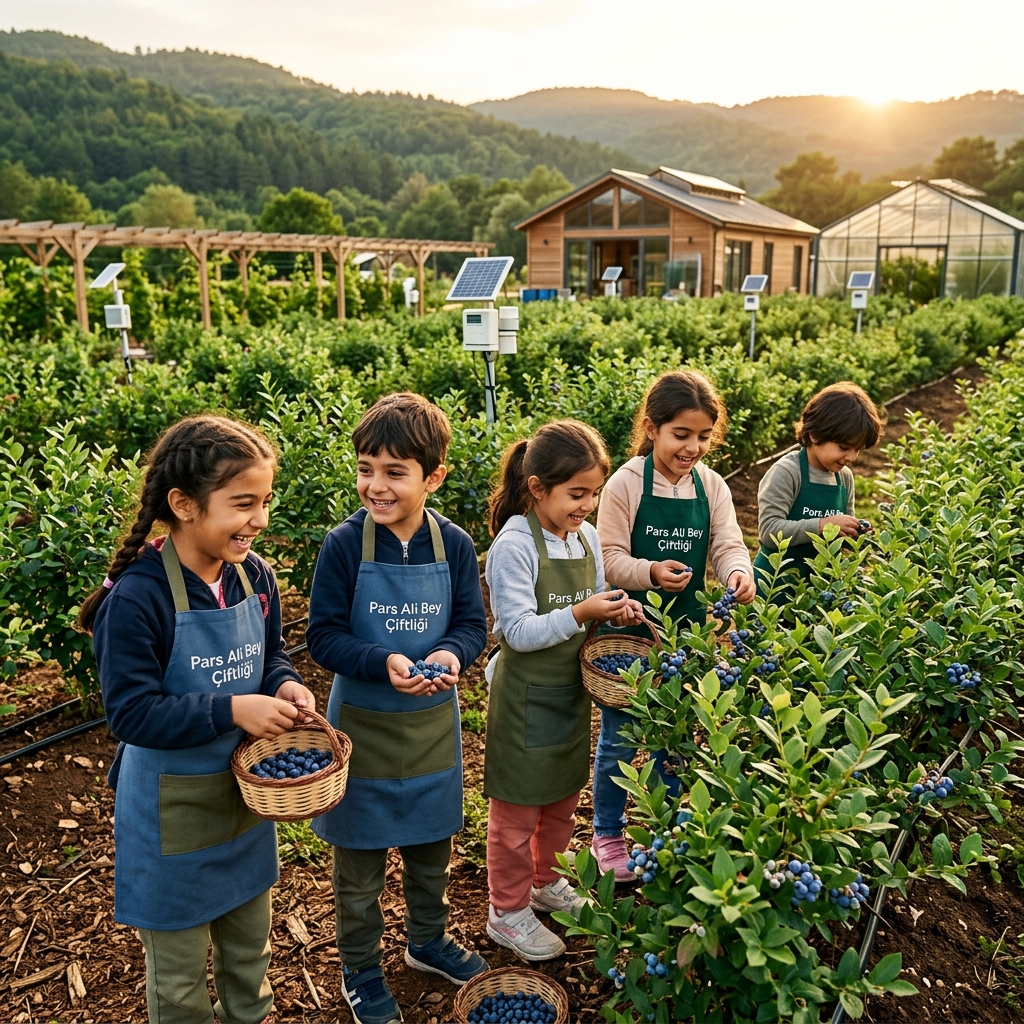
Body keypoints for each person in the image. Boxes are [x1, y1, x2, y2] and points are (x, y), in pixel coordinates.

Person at [81, 415, 315, 1024]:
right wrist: (232, 708)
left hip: (242, 803)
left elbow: (271, 657)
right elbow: (132, 715)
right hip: (171, 816)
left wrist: (285, 685)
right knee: (180, 983)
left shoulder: (252, 576)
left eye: (264, 501)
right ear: (184, 504)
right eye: (243, 504)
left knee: (248, 957)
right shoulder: (138, 599)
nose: (259, 520)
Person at [306, 392, 489, 1024]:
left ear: (432, 477)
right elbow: (323, 635)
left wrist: (449, 656)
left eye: (393, 472)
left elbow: (472, 624)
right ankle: (360, 967)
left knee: (430, 847)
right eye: (365, 469)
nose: (374, 486)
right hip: (361, 729)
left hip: (432, 727)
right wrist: (381, 660)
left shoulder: (454, 545)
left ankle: (427, 940)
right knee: (357, 868)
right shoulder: (343, 546)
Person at [483, 420, 644, 962]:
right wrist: (581, 611)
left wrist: (617, 606)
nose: (588, 505)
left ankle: (546, 883)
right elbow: (517, 631)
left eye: (594, 493)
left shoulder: (588, 537)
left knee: (559, 804)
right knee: (514, 817)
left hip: (570, 693)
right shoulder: (513, 545)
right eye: (577, 494)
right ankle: (506, 911)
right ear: (537, 489)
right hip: (525, 697)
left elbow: (595, 601)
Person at [592, 370, 754, 881]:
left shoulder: (712, 486)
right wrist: (650, 573)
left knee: (674, 736)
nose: (692, 447)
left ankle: (665, 829)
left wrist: (736, 572)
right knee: (620, 738)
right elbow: (609, 558)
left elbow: (728, 542)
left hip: (687, 636)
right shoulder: (625, 483)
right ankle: (607, 831)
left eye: (703, 437)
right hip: (629, 633)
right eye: (680, 435)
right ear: (652, 428)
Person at [752, 382, 883, 593]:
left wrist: (857, 534)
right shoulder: (788, 472)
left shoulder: (844, 478)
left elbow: (843, 534)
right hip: (773, 589)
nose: (851, 457)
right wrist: (823, 525)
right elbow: (769, 531)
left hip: (818, 590)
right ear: (814, 435)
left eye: (857, 450)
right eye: (844, 447)